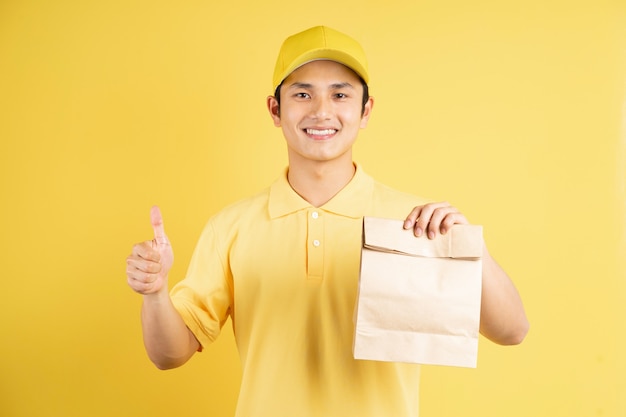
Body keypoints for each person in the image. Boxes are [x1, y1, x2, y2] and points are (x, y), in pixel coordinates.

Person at [126, 25, 529, 417]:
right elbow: (169, 354)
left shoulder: (416, 224)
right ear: (275, 109)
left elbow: (511, 331)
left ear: (365, 110)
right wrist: (155, 292)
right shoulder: (230, 227)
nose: (322, 112)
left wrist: (468, 246)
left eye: (340, 94)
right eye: (303, 94)